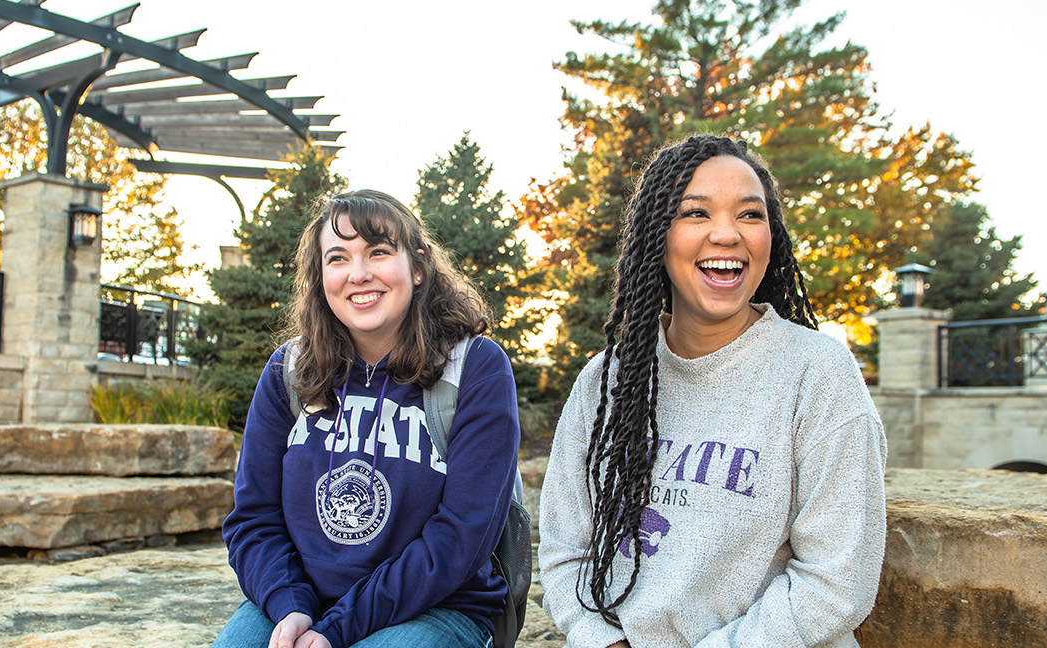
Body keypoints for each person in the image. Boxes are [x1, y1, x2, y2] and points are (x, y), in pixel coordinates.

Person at [539, 134, 887, 648]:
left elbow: (836, 584)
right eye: (696, 213)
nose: (726, 234)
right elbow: (566, 550)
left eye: (750, 215)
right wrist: (600, 640)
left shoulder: (817, 372)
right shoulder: (605, 381)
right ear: (659, 235)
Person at [215, 190, 521, 648]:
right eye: (338, 258)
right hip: (300, 602)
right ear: (321, 278)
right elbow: (253, 518)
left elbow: (461, 540)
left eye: (378, 252)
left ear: (417, 266)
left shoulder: (474, 368)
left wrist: (338, 629)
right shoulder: (290, 371)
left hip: (438, 609)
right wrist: (290, 605)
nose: (358, 274)